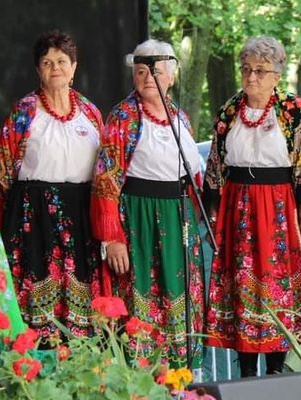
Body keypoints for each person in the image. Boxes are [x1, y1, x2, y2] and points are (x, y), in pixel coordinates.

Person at [204, 36, 301, 376]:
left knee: (276, 285)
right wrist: (214, 206)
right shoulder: (229, 110)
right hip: (238, 205)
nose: (251, 77)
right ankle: (245, 373)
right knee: (242, 285)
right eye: (246, 70)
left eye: (260, 71)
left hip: (277, 206)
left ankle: (276, 371)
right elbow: (216, 165)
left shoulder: (292, 111)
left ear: (276, 75)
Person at [90, 39, 204, 367]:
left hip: (176, 215)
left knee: (179, 296)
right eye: (140, 72)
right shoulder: (124, 116)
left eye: (154, 72)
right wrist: (112, 238)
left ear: (171, 76)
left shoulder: (179, 117)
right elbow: (105, 179)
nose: (147, 78)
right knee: (141, 294)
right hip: (140, 218)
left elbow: (192, 174)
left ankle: (180, 372)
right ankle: (143, 373)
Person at [0, 31, 103, 338]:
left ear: (74, 67)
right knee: (36, 304)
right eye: (47, 62)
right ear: (38, 70)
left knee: (81, 301)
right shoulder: (24, 112)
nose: (55, 68)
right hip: (33, 217)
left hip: (80, 218)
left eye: (62, 61)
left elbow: (105, 172)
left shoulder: (90, 113)